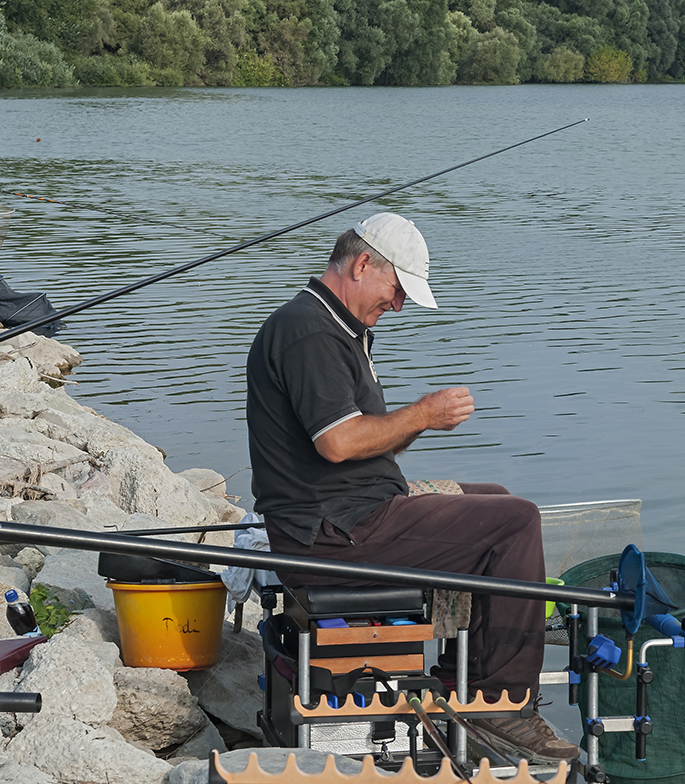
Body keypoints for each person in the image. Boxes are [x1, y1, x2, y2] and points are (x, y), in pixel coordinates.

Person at [246, 212, 579, 763]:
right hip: (330, 533)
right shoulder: (309, 331)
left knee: (496, 498)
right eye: (397, 289)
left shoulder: (337, 326)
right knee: (516, 522)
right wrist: (423, 414)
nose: (398, 305)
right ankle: (502, 703)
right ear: (362, 265)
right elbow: (339, 443)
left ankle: (459, 677)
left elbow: (364, 440)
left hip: (353, 511)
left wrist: (416, 425)